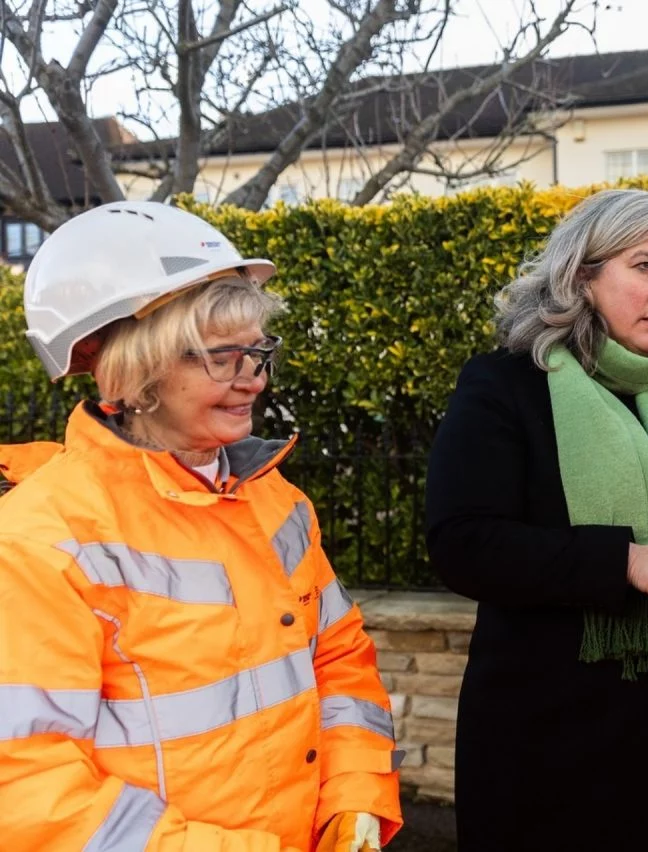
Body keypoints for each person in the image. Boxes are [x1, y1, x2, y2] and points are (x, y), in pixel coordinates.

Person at [0, 202, 402, 852]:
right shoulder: (39, 541)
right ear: (133, 371)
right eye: (222, 357)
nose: (254, 379)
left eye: (258, 352)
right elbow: (28, 794)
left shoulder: (277, 501)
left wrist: (354, 796)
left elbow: (339, 660)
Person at [425, 188, 648, 852]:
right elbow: (463, 540)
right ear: (582, 277)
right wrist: (627, 562)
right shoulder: (507, 385)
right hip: (550, 738)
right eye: (644, 266)